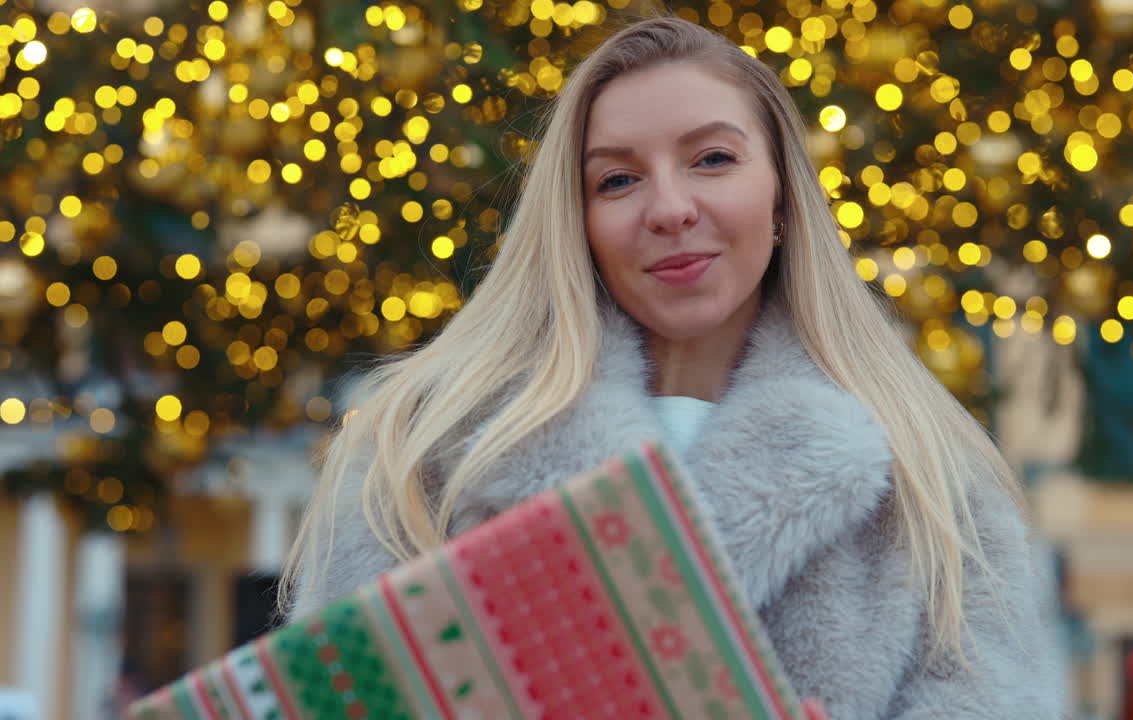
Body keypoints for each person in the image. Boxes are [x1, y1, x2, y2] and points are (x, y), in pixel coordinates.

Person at [280, 14, 1064, 719]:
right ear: (576, 219)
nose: (669, 207)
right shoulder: (427, 450)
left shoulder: (933, 479)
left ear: (783, 196)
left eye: (713, 159)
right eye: (617, 179)